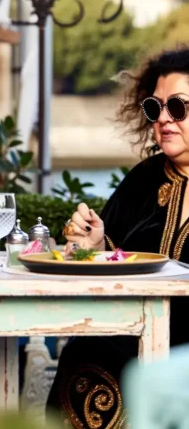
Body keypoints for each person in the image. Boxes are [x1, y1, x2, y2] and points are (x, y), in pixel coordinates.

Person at [47, 47, 189, 428]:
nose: (163, 119)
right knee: (86, 357)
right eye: (154, 108)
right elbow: (114, 253)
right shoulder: (143, 179)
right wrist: (95, 245)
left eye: (178, 108)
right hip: (124, 339)